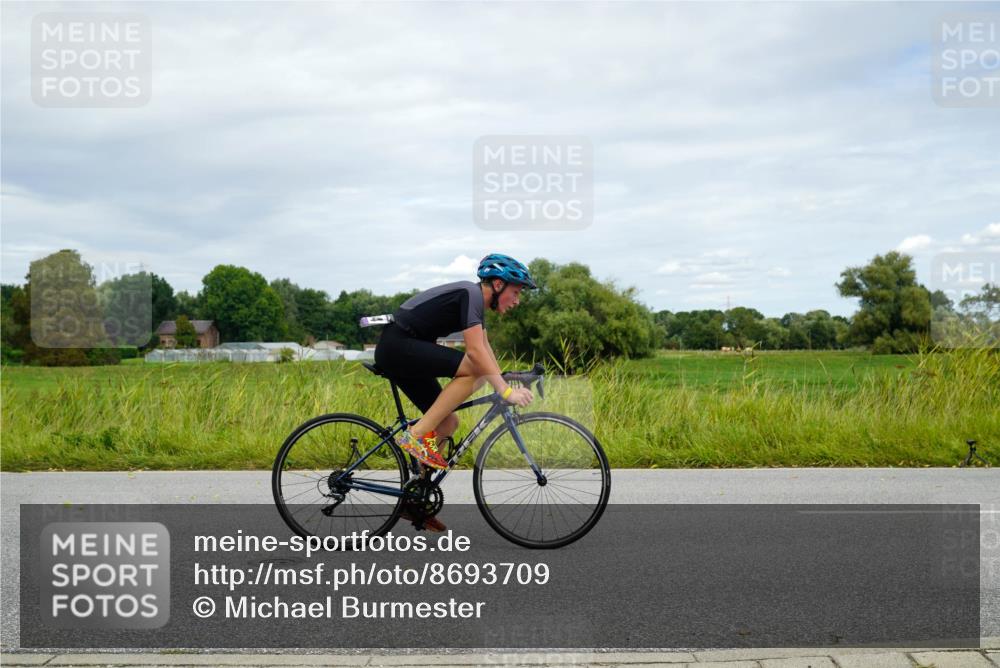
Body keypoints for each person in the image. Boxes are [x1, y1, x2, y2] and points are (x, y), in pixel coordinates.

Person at [373, 253, 536, 531]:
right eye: (516, 292)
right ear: (498, 285)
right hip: (398, 346)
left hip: (405, 349)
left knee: (448, 422)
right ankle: (415, 435)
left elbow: (484, 350)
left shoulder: (475, 303)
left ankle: (415, 503)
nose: (517, 300)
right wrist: (506, 391)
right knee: (473, 370)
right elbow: (474, 354)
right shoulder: (470, 294)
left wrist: (504, 377)